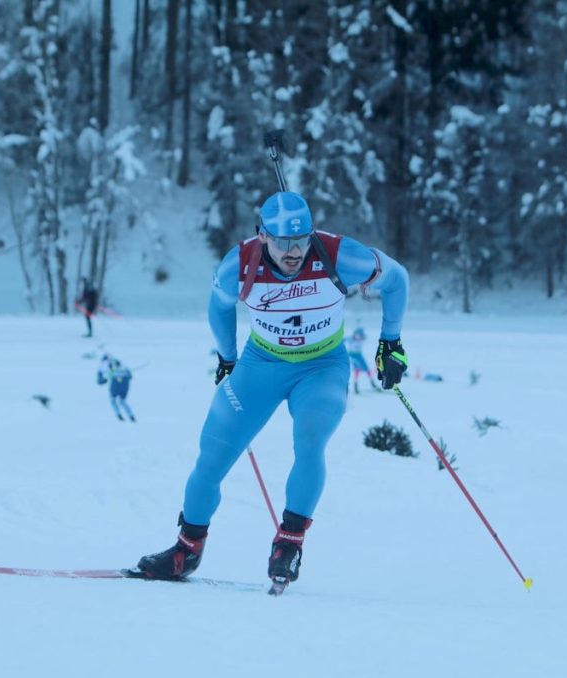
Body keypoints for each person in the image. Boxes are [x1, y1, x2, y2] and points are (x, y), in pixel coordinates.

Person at [134, 190, 409, 585]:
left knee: (311, 439)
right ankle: (186, 549)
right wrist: (227, 358)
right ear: (263, 235)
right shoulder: (238, 265)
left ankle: (289, 543)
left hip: (321, 367)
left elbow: (397, 278)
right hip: (260, 364)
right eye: (281, 242)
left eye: (300, 240)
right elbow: (219, 306)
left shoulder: (339, 256)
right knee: (212, 454)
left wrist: (391, 341)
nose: (293, 251)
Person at [97, 353, 135, 422]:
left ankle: (118, 415)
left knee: (113, 401)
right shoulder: (125, 369)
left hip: (114, 388)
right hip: (125, 388)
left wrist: (102, 378)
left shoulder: (110, 371)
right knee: (122, 401)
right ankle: (131, 415)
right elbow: (130, 376)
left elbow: (101, 381)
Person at [345, 323, 381, 394]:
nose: (359, 337)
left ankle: (372, 383)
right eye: (357, 334)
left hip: (359, 355)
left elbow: (364, 336)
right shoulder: (350, 338)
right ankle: (356, 386)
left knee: (367, 369)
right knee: (357, 369)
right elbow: (342, 340)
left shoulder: (363, 338)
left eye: (360, 335)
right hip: (352, 355)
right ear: (355, 334)